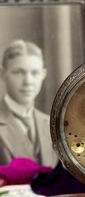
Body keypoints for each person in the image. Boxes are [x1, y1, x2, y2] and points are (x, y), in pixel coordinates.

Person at [0, 39, 58, 167]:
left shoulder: (51, 124)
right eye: (18, 72)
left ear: (43, 74)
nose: (28, 81)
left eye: (35, 73)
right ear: (3, 73)